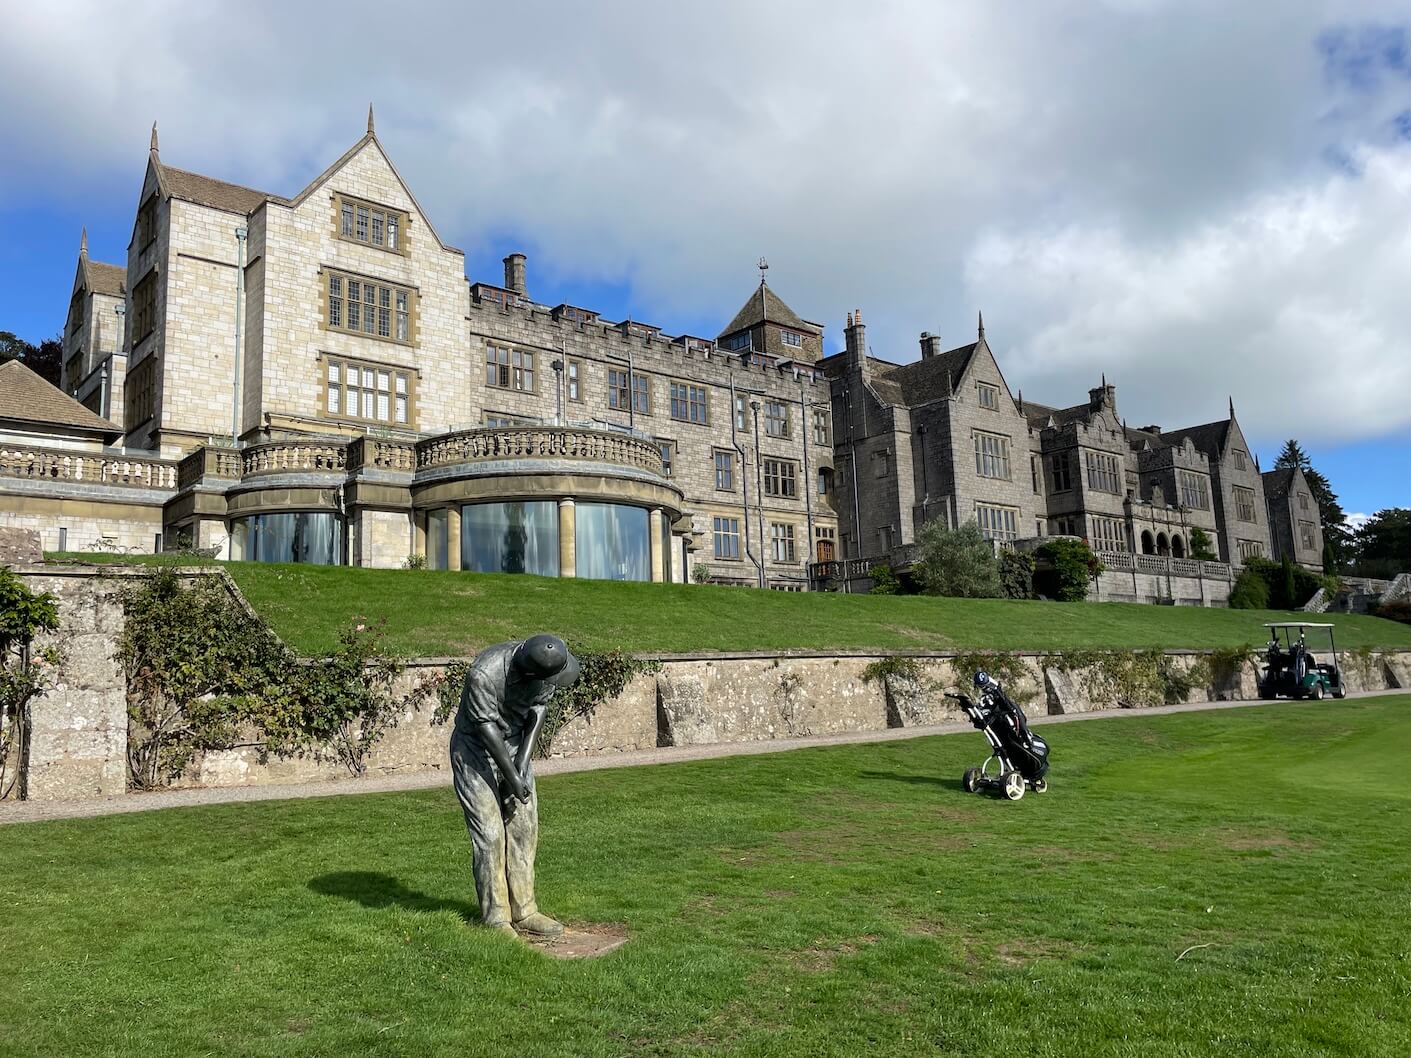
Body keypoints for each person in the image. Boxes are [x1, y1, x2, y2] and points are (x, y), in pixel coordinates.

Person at [449, 634, 580, 936]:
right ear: (529, 671)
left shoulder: (548, 665)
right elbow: (486, 729)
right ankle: (496, 917)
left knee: (524, 830)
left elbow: (538, 710)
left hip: (513, 748)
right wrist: (511, 776)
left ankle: (525, 911)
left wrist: (521, 764)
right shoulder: (484, 673)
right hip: (474, 752)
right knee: (491, 834)